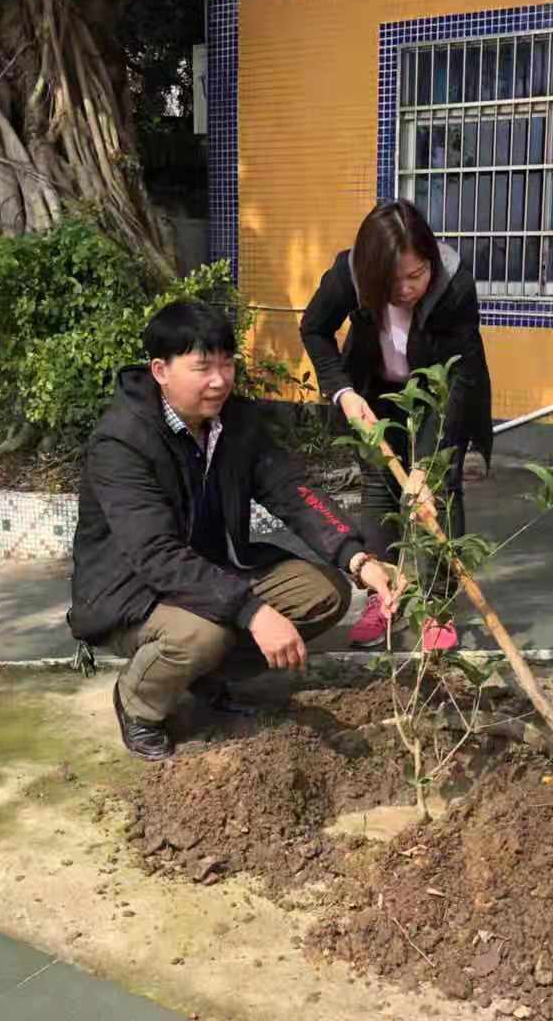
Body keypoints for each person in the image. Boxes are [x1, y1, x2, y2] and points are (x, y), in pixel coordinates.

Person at [68, 301, 402, 761]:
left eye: (227, 364)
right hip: (131, 592)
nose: (220, 380)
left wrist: (356, 559)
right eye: (202, 366)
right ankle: (138, 703)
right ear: (160, 370)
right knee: (203, 635)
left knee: (321, 592)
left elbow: (290, 490)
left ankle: (207, 678)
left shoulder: (235, 421)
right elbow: (156, 554)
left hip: (206, 571)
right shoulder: (122, 442)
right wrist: (251, 610)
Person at [300, 199, 492, 650]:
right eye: (393, 280)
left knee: (439, 492)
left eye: (417, 274)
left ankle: (438, 607)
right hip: (373, 393)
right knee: (378, 486)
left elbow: (462, 375)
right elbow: (314, 328)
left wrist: (426, 467)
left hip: (440, 395)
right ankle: (383, 596)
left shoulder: (455, 282)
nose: (407, 288)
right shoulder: (349, 274)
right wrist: (343, 392)